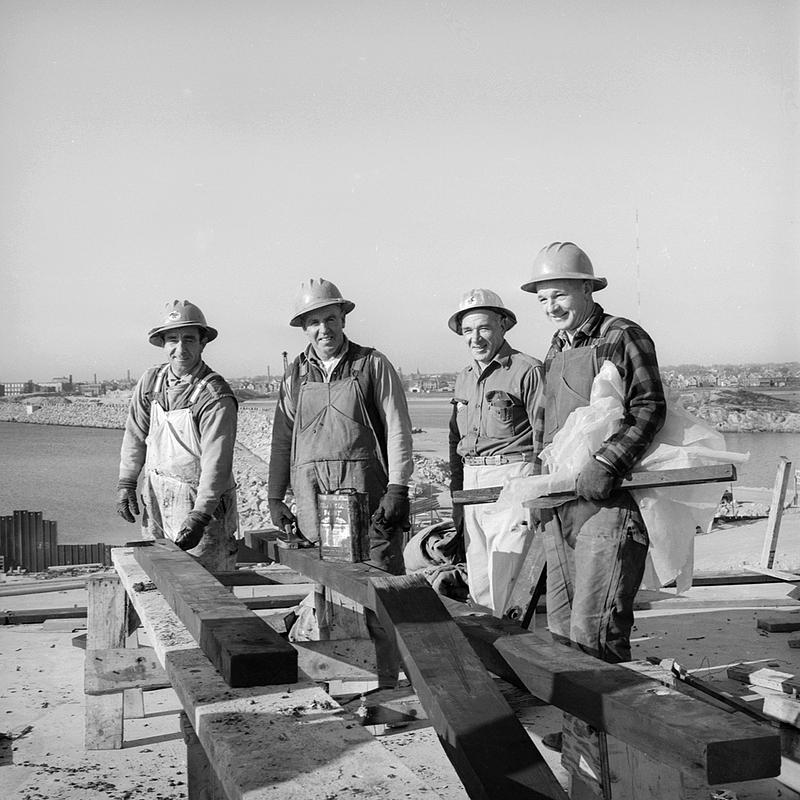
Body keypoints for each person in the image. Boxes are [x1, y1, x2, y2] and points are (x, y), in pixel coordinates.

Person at [522, 242, 666, 665]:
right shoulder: (556, 348)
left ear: (588, 289)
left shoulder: (622, 335)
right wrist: (538, 489)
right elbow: (544, 427)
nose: (551, 307)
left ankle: (607, 732)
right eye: (543, 298)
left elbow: (649, 406)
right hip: (562, 504)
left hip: (609, 504)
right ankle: (576, 733)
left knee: (595, 633)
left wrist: (607, 461)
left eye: (560, 295)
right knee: (562, 630)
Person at [268, 278, 414, 575]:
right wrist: (274, 497)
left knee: (383, 589)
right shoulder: (295, 375)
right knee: (328, 590)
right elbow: (282, 440)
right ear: (304, 328)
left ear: (343, 318)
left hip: (371, 505)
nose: (325, 329)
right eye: (315, 322)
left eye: (331, 318)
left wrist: (397, 488)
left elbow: (398, 429)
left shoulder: (372, 364)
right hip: (314, 506)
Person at [116, 300, 239, 572]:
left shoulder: (215, 395)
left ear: (202, 343)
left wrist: (200, 517)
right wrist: (126, 483)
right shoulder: (151, 382)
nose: (180, 348)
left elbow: (216, 464)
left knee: (210, 588)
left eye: (189, 339)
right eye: (172, 339)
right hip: (158, 498)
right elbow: (135, 435)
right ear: (162, 343)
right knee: (161, 580)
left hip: (203, 506)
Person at [447, 289, 543, 613]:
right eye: (468, 331)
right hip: (472, 481)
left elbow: (547, 438)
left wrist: (540, 492)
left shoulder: (527, 370)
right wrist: (456, 497)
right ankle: (492, 661)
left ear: (503, 325)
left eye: (484, 328)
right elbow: (454, 438)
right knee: (480, 584)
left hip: (511, 478)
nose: (476, 338)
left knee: (510, 581)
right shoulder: (463, 377)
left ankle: (519, 658)